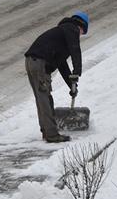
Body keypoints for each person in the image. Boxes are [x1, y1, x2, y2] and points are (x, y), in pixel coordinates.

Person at [25, 11, 89, 143]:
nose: (80, 36)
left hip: (33, 62)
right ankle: (52, 135)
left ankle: (46, 131)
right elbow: (75, 49)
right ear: (81, 26)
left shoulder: (61, 34)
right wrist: (77, 70)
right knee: (44, 98)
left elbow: (62, 65)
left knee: (42, 98)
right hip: (39, 62)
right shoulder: (71, 28)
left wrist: (72, 85)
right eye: (82, 33)